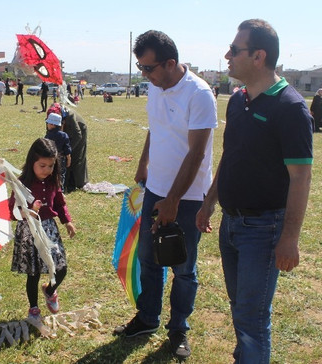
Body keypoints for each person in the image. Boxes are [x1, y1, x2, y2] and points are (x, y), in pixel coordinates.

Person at [196, 19, 313, 364]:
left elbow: (301, 178)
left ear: (259, 56)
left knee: (252, 317)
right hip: (231, 225)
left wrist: (290, 237)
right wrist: (209, 202)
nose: (227, 55)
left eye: (235, 50)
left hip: (263, 229)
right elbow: (230, 156)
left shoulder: (290, 108)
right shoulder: (238, 100)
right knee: (241, 309)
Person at [113, 30, 217, 361]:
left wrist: (173, 200)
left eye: (149, 68)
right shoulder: (156, 87)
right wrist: (144, 163)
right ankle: (147, 318)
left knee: (183, 266)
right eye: (140, 67)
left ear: (170, 63)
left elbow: (197, 153)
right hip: (155, 188)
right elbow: (155, 128)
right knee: (148, 258)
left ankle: (179, 328)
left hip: (186, 198)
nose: (144, 74)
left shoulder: (199, 95)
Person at [8, 138, 76, 321]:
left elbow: (60, 203)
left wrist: (67, 221)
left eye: (51, 166)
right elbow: (11, 211)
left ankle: (50, 290)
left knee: (60, 268)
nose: (47, 170)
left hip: (49, 229)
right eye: (42, 165)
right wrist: (27, 212)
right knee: (34, 273)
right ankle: (33, 308)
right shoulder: (22, 183)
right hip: (29, 232)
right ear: (32, 163)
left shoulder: (54, 181)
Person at [47, 103, 89, 192]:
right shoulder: (51, 119)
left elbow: (78, 135)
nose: (51, 125)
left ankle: (78, 182)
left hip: (79, 131)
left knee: (77, 156)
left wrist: (67, 151)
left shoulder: (70, 115)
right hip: (64, 131)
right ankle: (63, 182)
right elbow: (49, 133)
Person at [44, 112, 71, 188]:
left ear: (52, 124)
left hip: (50, 159)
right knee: (61, 175)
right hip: (61, 159)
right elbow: (67, 149)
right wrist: (68, 159)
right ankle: (60, 190)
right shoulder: (64, 135)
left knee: (51, 175)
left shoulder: (48, 136)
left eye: (48, 123)